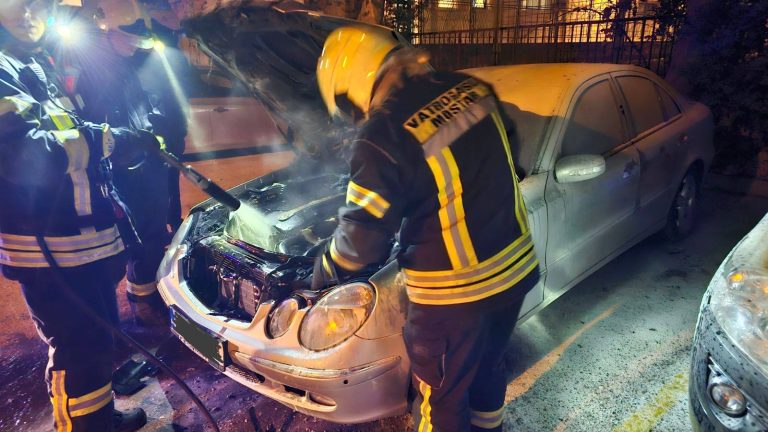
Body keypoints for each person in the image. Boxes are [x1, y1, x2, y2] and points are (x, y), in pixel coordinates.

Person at [312, 26, 540, 432]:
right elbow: (508, 156)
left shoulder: (383, 134)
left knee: (440, 400)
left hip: (455, 294)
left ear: (353, 87)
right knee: (487, 369)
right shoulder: (471, 88)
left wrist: (323, 273)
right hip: (515, 269)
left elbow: (358, 245)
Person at [0, 0, 152, 430]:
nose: (28, 14)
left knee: (98, 336)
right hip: (44, 242)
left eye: (36, 4)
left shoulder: (36, 63)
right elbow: (23, 154)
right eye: (14, 4)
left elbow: (66, 136)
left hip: (78, 234)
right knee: (75, 343)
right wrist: (109, 141)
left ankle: (98, 418)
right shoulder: (3, 68)